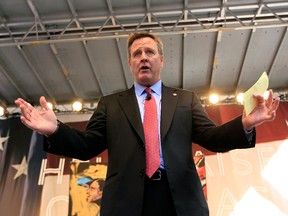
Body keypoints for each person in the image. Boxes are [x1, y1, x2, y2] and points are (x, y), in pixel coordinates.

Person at [15, 32, 280, 216]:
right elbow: (87, 146)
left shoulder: (186, 99)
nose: (143, 57)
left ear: (161, 60)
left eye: (149, 52)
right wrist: (54, 129)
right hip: (126, 203)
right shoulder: (111, 103)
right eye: (137, 53)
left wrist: (245, 123)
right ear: (130, 63)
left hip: (181, 201)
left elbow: (211, 138)